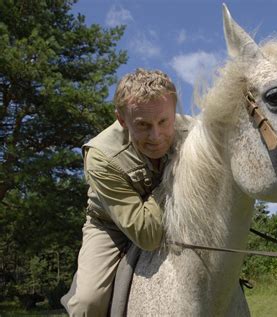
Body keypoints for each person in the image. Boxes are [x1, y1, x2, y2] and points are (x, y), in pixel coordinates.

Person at [62, 68, 185, 316]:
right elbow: (147, 234)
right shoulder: (100, 156)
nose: (156, 136)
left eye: (164, 121)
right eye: (142, 125)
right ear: (121, 120)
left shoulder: (191, 133)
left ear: (175, 111)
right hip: (110, 226)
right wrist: (174, 175)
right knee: (87, 303)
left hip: (174, 210)